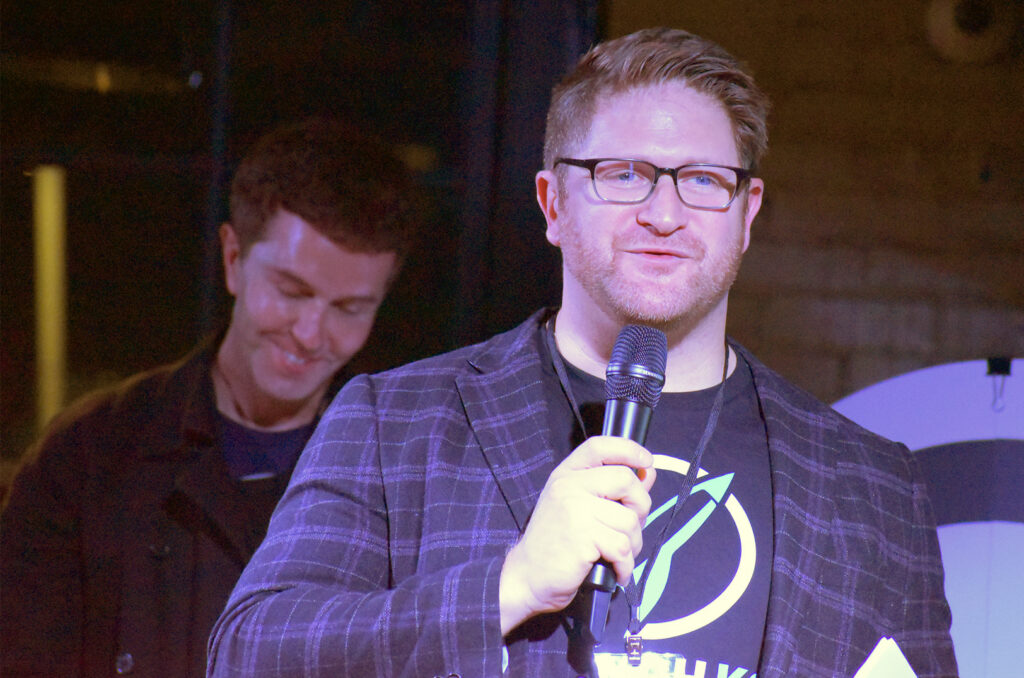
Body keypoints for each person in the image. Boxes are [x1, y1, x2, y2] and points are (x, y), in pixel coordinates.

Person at [206, 28, 957, 678]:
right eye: (622, 174)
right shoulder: (396, 423)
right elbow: (250, 653)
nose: (663, 214)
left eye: (700, 180)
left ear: (745, 212)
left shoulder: (872, 486)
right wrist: (509, 586)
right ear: (553, 203)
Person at [0, 117, 420, 678]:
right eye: (291, 292)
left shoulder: (405, 475)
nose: (310, 333)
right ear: (232, 259)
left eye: (349, 308)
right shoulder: (89, 457)